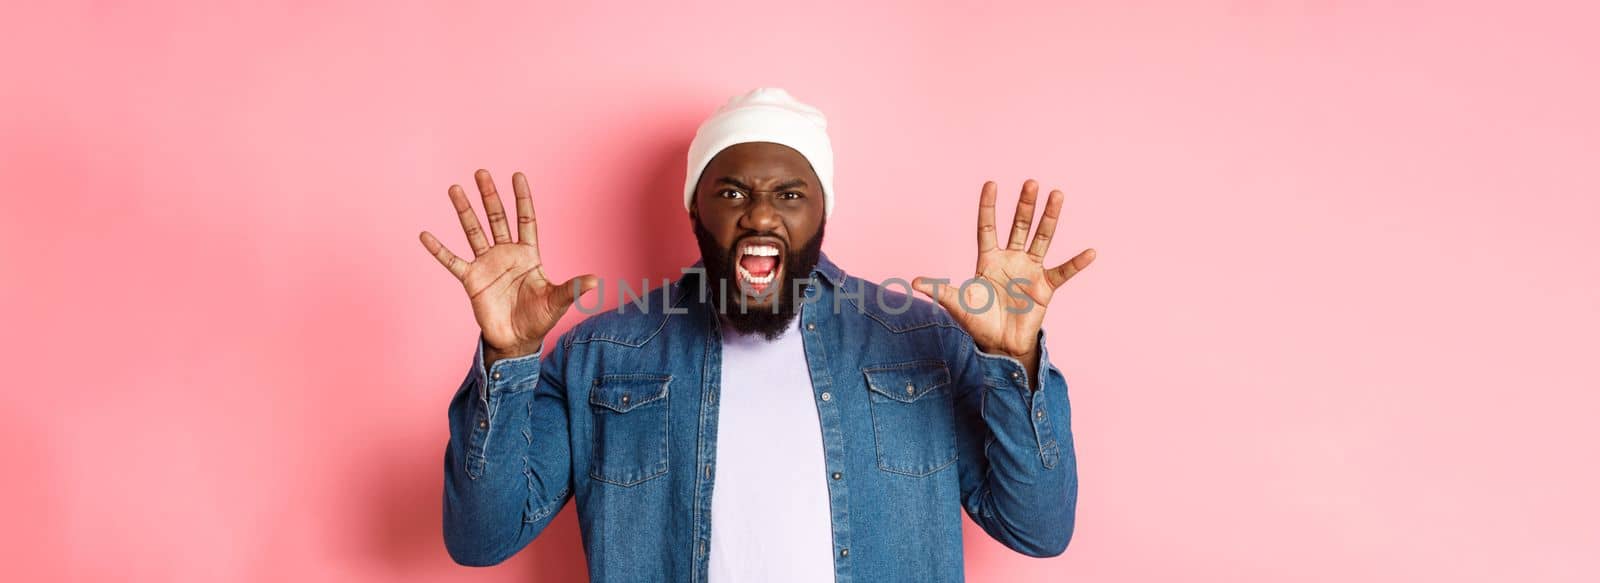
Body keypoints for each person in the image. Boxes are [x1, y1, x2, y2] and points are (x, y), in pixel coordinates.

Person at [418, 87, 1096, 582]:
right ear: (695, 206)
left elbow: (1037, 527)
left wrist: (1013, 361)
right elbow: (481, 537)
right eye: (733, 192)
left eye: (791, 194)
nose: (761, 214)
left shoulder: (922, 342)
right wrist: (509, 357)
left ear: (823, 209)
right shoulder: (600, 353)